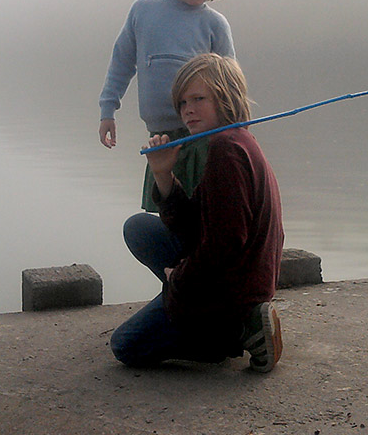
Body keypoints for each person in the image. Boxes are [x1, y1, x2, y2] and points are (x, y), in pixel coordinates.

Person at [110, 53, 284, 372]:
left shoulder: (227, 153)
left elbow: (225, 244)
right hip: (241, 276)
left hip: (236, 289)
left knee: (125, 346)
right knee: (138, 227)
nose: (188, 109)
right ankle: (216, 320)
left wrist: (180, 279)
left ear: (227, 96)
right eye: (182, 103)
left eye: (199, 98)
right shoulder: (233, 141)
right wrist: (164, 175)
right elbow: (194, 226)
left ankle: (228, 335)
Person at [98, 0, 236, 212]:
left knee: (201, 213)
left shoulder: (215, 25)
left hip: (202, 140)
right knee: (163, 216)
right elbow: (122, 62)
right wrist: (107, 110)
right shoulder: (143, 11)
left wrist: (239, 130)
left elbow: (232, 85)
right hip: (159, 141)